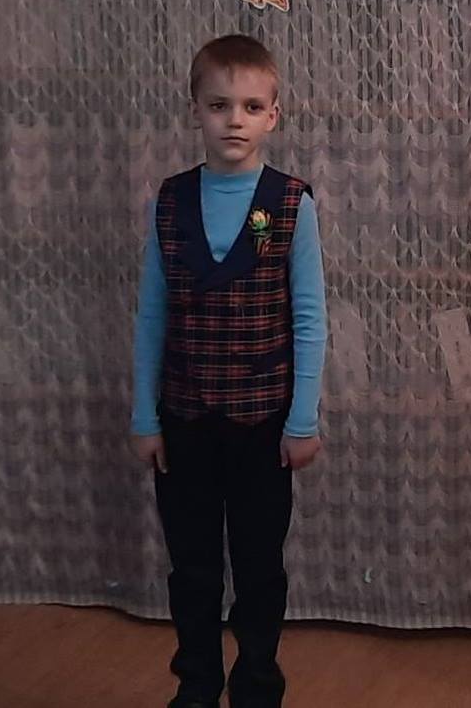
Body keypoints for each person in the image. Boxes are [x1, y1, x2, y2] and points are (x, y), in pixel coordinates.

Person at [129, 34, 328, 708]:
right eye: (219, 105)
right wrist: (145, 416)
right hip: (184, 420)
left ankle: (257, 685)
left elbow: (310, 318)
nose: (234, 120)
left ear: (273, 115)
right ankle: (196, 686)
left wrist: (302, 421)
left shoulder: (292, 203)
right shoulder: (171, 201)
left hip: (263, 423)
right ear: (196, 111)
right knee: (191, 568)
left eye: (250, 106)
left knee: (259, 567)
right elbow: (152, 314)